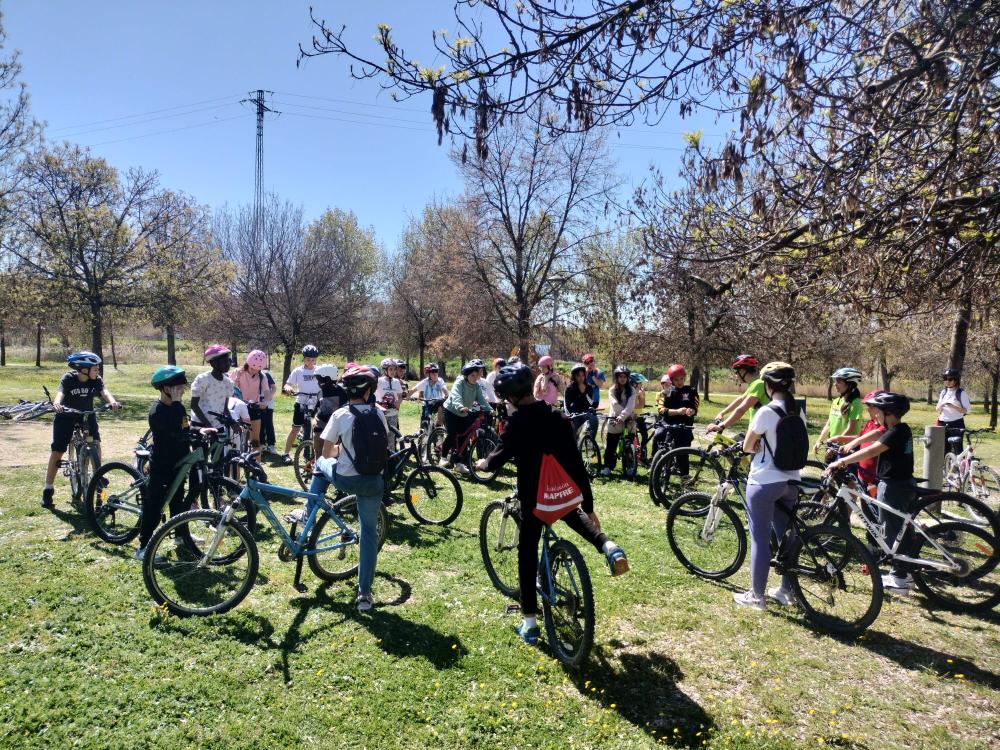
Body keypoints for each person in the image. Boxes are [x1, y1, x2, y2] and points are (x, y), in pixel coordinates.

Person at [475, 363, 629, 645]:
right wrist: (590, 505)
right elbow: (576, 464)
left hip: (535, 500)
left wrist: (483, 463)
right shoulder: (558, 417)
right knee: (573, 514)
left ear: (510, 397)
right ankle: (609, 546)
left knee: (527, 552)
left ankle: (530, 623)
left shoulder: (516, 423)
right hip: (562, 492)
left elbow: (496, 456)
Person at [309, 366, 388, 612]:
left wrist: (339, 452)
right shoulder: (379, 413)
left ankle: (309, 510)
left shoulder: (341, 414)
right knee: (368, 534)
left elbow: (326, 451)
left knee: (320, 463)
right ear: (369, 392)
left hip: (345, 480)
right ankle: (364, 594)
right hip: (374, 481)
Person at [733, 362, 806, 611]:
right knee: (787, 536)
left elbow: (747, 446)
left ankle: (757, 596)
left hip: (764, 482)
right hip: (792, 480)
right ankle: (786, 590)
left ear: (768, 385)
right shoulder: (798, 412)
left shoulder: (766, 411)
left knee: (760, 540)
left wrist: (754, 445)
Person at [825, 392, 917, 593]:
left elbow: (872, 450)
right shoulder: (899, 428)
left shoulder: (894, 433)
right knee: (899, 529)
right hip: (903, 484)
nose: (875, 416)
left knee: (892, 530)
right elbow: (875, 434)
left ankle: (899, 578)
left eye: (878, 412)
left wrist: (842, 461)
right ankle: (907, 574)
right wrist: (851, 443)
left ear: (888, 413)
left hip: (893, 486)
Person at [136, 366, 215, 562]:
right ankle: (143, 548)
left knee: (178, 502)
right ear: (165, 388)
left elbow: (184, 428)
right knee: (155, 506)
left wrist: (199, 431)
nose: (182, 391)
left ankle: (181, 536)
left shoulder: (178, 407)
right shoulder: (157, 411)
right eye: (178, 388)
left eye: (183, 388)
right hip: (162, 465)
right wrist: (188, 434)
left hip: (179, 461)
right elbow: (171, 436)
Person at [42, 351, 121, 509]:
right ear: (83, 369)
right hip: (66, 416)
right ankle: (48, 489)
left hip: (86, 415)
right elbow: (60, 393)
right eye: (95, 368)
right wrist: (57, 404)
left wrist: (112, 402)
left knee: (96, 443)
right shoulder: (69, 379)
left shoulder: (95, 380)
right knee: (57, 450)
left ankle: (97, 474)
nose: (97, 370)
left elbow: (104, 391)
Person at [441, 360, 493, 473]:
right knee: (452, 434)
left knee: (464, 437)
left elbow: (482, 400)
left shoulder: (476, 386)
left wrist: (490, 409)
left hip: (464, 413)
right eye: (472, 375)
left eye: (477, 375)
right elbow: (455, 395)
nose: (475, 377)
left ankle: (459, 463)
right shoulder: (460, 382)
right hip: (451, 411)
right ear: (466, 375)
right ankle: (443, 457)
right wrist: (460, 406)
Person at [831, 390, 886, 496]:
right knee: (866, 508)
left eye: (871, 406)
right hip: (862, 474)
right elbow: (858, 437)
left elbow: (871, 451)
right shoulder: (870, 424)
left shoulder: (883, 429)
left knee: (874, 509)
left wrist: (843, 460)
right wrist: (839, 438)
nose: (868, 409)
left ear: (880, 408)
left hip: (874, 478)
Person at [281, 345, 322, 464]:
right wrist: (288, 388)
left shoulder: (319, 371)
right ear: (304, 359)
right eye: (308, 359)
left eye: (313, 360)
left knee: (317, 429)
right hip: (301, 402)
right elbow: (287, 384)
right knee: (295, 428)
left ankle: (316, 455)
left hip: (316, 402)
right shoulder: (298, 371)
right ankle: (286, 453)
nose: (311, 362)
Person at [654, 364, 699, 467]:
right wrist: (677, 411)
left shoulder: (691, 391)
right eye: (676, 380)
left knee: (682, 453)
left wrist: (691, 411)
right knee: (658, 436)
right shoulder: (666, 392)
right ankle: (654, 462)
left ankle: (685, 477)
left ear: (685, 378)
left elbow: (695, 408)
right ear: (671, 380)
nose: (679, 382)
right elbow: (661, 409)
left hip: (685, 425)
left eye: (682, 379)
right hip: (668, 423)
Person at [813, 367, 864, 459]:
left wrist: (835, 446)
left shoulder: (855, 403)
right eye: (835, 381)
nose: (835, 384)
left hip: (846, 448)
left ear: (850, 384)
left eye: (839, 382)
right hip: (833, 444)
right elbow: (829, 424)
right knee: (827, 472)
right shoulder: (836, 401)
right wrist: (819, 441)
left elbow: (851, 428)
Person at [707, 354, 765, 433]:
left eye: (736, 372)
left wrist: (722, 426)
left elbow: (741, 409)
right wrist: (722, 413)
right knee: (727, 445)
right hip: (756, 430)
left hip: (761, 433)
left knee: (730, 445)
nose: (736, 375)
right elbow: (740, 399)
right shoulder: (753, 385)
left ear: (742, 371)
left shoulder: (758, 384)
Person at [231, 349, 269, 455]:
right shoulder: (238, 372)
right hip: (238, 407)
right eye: (253, 368)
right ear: (248, 363)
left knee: (255, 441)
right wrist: (236, 380)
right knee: (234, 440)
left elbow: (266, 391)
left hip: (253, 407)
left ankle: (256, 467)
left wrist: (265, 402)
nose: (255, 371)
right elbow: (229, 388)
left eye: (258, 370)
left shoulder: (262, 376)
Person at [601, 366, 637, 477]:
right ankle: (608, 467)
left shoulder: (632, 390)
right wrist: (621, 416)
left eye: (625, 377)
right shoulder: (612, 390)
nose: (622, 379)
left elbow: (631, 405)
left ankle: (630, 466)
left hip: (628, 421)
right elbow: (614, 404)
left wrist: (623, 417)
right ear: (617, 378)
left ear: (627, 378)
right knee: (611, 446)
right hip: (615, 421)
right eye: (620, 376)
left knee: (629, 446)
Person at [190, 345, 235, 430]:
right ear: (214, 363)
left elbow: (225, 408)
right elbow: (194, 405)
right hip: (200, 426)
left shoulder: (228, 383)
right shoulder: (203, 379)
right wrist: (208, 426)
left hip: (218, 426)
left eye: (229, 360)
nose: (228, 364)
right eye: (224, 361)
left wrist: (232, 422)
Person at [311, 364, 347, 470]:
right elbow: (316, 409)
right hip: (320, 425)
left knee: (336, 452)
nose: (318, 382)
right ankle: (318, 472)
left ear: (327, 378)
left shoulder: (342, 392)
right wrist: (313, 419)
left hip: (336, 427)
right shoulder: (320, 393)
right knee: (318, 451)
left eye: (319, 379)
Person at [937, 368, 972, 455]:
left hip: (956, 424)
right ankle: (945, 468)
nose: (947, 381)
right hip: (942, 423)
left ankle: (959, 468)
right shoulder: (943, 392)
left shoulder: (961, 393)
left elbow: (967, 410)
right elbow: (937, 408)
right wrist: (942, 405)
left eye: (950, 379)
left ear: (956, 380)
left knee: (957, 448)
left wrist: (952, 406)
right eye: (945, 378)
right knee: (944, 449)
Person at [375, 357, 405, 449]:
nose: (393, 371)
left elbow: (400, 396)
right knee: (380, 436)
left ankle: (391, 458)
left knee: (391, 436)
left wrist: (398, 403)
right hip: (381, 413)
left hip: (393, 413)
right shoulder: (379, 381)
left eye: (395, 369)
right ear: (385, 370)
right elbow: (372, 397)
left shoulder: (397, 382)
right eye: (391, 369)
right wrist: (378, 406)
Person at [564, 363, 598, 437]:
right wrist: (571, 414)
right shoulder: (569, 388)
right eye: (578, 376)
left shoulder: (588, 387)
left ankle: (591, 441)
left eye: (583, 375)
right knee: (575, 431)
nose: (581, 378)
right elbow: (567, 405)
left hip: (585, 412)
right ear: (574, 377)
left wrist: (585, 392)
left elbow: (591, 403)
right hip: (574, 414)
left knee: (594, 419)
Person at [260, 368, 278, 455]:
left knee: (268, 423)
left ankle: (271, 445)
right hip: (256, 402)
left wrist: (268, 397)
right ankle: (261, 444)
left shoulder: (266, 374)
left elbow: (274, 388)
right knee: (259, 424)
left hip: (268, 403)